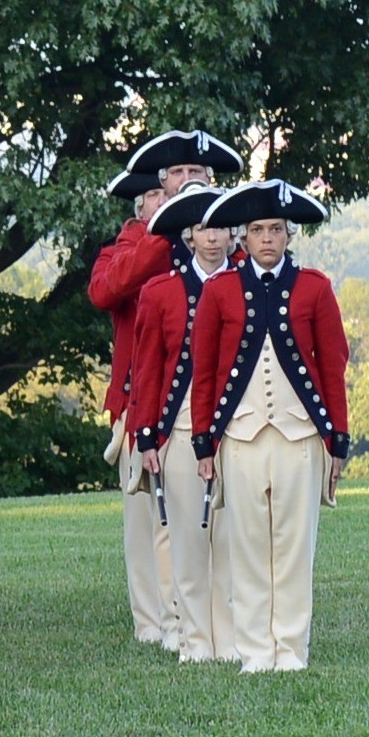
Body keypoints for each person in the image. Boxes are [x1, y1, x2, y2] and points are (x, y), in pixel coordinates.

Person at [90, 131, 243, 648]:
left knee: (215, 519)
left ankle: (209, 619)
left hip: (214, 410)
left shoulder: (224, 243)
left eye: (198, 173)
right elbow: (106, 290)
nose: (188, 180)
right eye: (177, 175)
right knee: (151, 520)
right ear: (157, 189)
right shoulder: (137, 243)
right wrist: (165, 231)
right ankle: (157, 624)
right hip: (144, 404)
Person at [190, 180, 348, 673]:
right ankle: (256, 651)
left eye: (275, 230)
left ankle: (291, 650)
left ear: (287, 234)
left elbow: (333, 366)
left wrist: (337, 440)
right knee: (249, 547)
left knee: (295, 548)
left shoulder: (314, 287)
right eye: (257, 230)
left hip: (300, 436)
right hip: (239, 435)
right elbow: (206, 371)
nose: (266, 239)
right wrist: (203, 443)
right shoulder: (219, 292)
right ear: (244, 235)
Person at [129, 183, 237, 663]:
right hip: (177, 430)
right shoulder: (161, 292)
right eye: (202, 229)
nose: (212, 238)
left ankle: (230, 635)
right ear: (189, 236)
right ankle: (195, 641)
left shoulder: (245, 287)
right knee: (188, 541)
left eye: (219, 227)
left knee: (232, 540)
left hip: (235, 431)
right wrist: (147, 434)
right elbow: (148, 369)